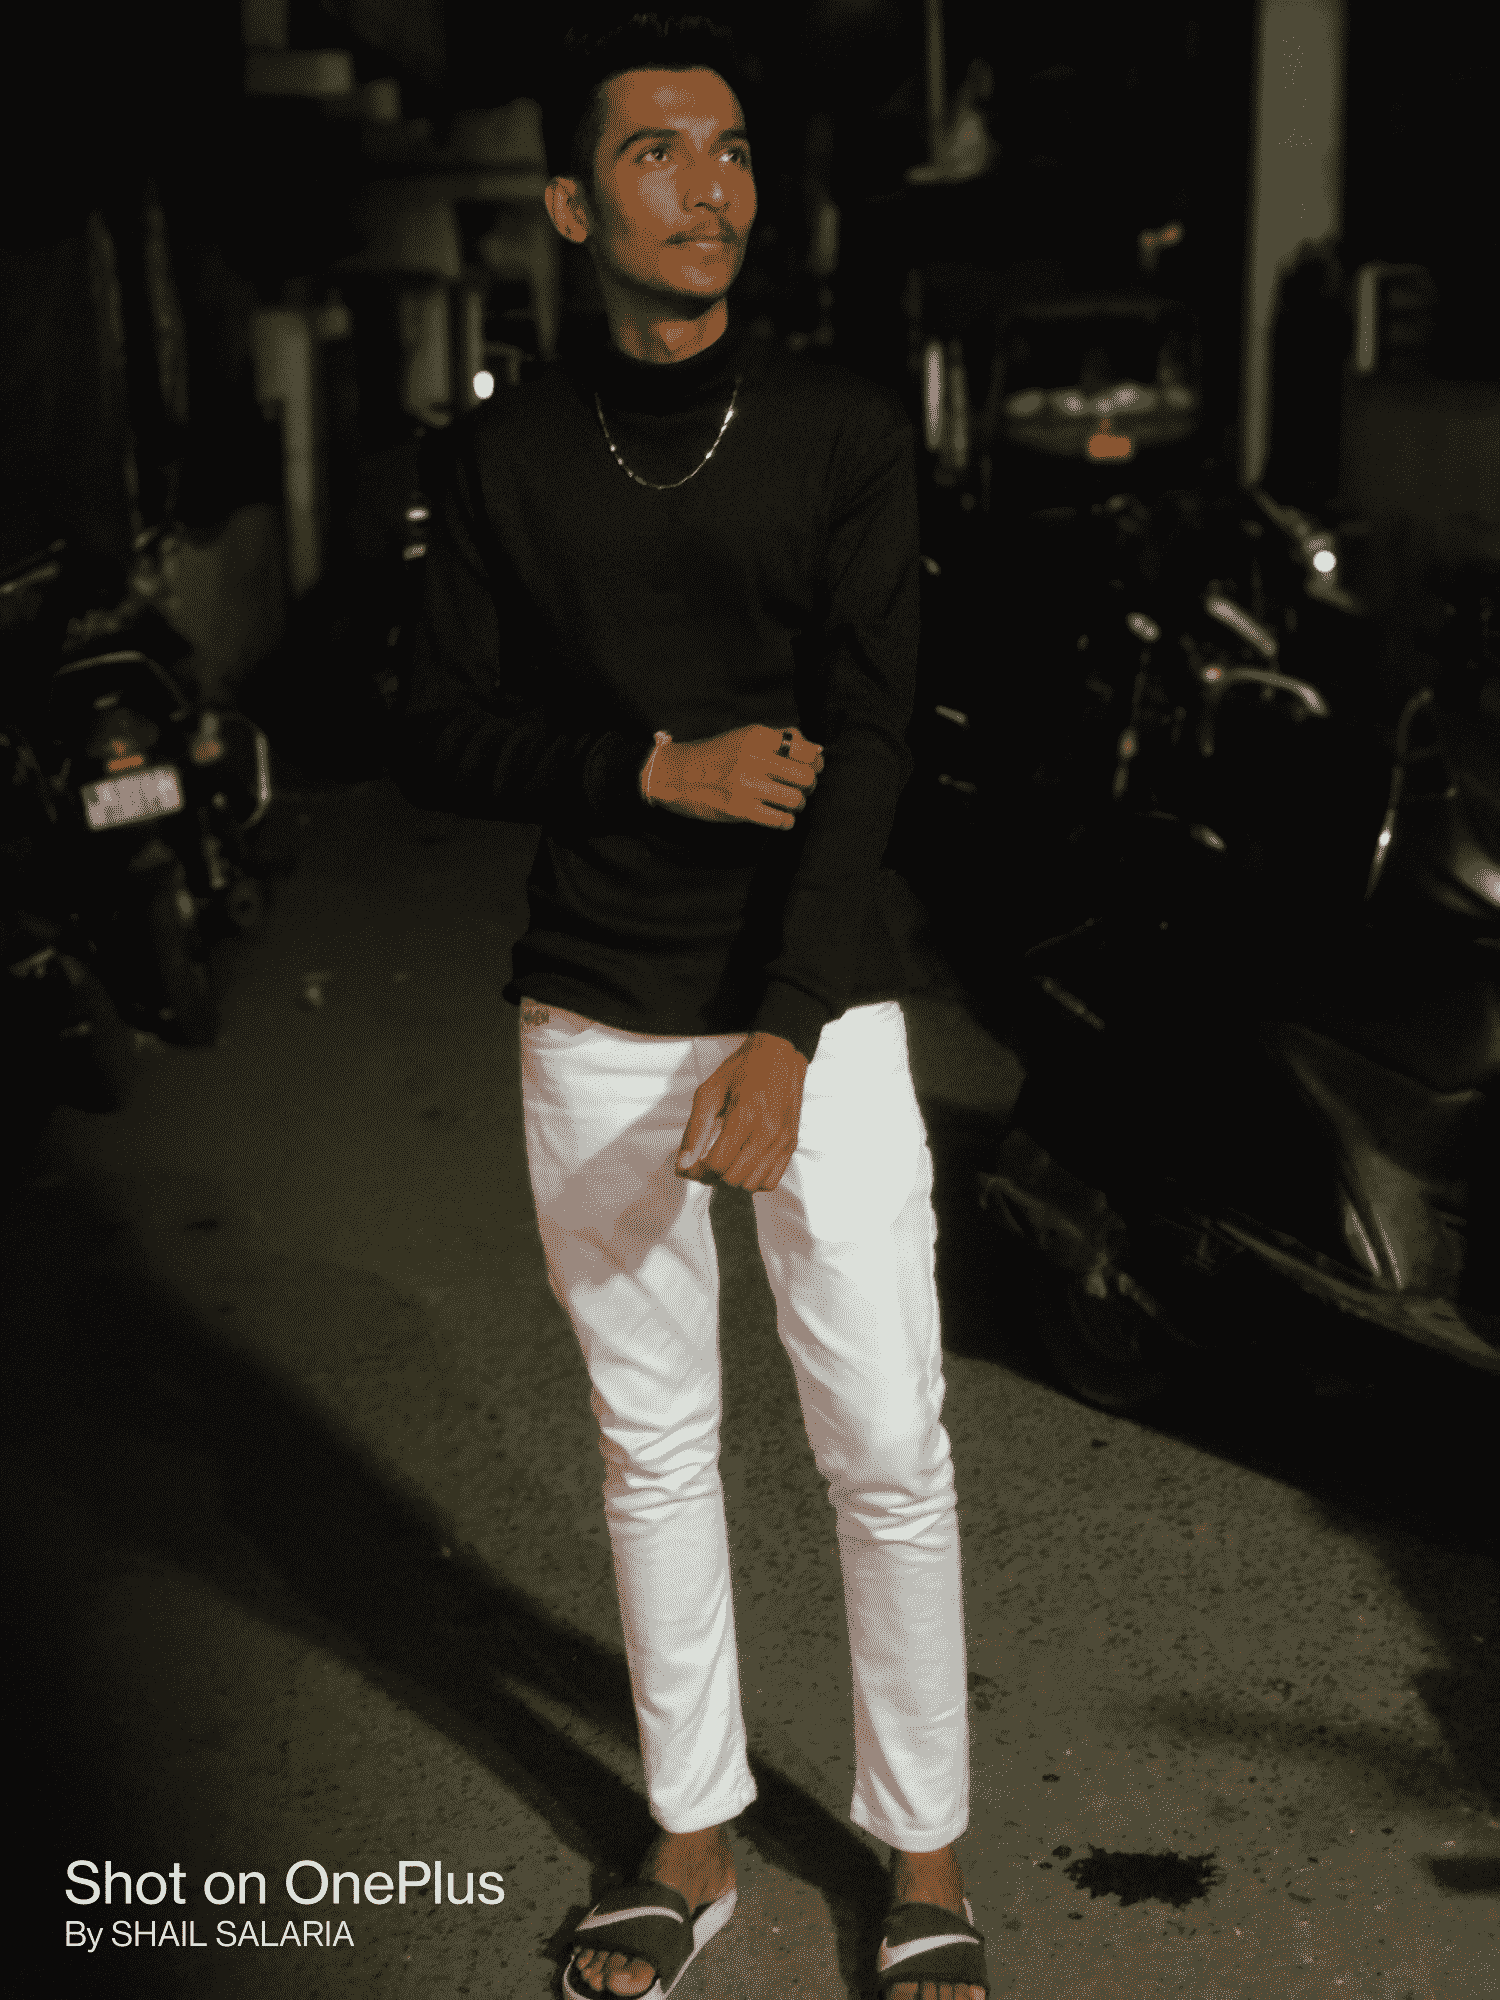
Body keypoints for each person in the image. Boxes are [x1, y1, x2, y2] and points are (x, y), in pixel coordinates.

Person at [391, 14, 988, 2000]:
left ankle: (926, 1860)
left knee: (886, 1440)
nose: (707, 184)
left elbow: (877, 738)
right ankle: (692, 1839)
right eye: (655, 152)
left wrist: (790, 1025)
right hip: (595, 1007)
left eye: (727, 150)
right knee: (654, 1448)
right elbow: (434, 728)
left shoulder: (839, 429)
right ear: (573, 207)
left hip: (821, 1007)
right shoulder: (498, 457)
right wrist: (649, 767)